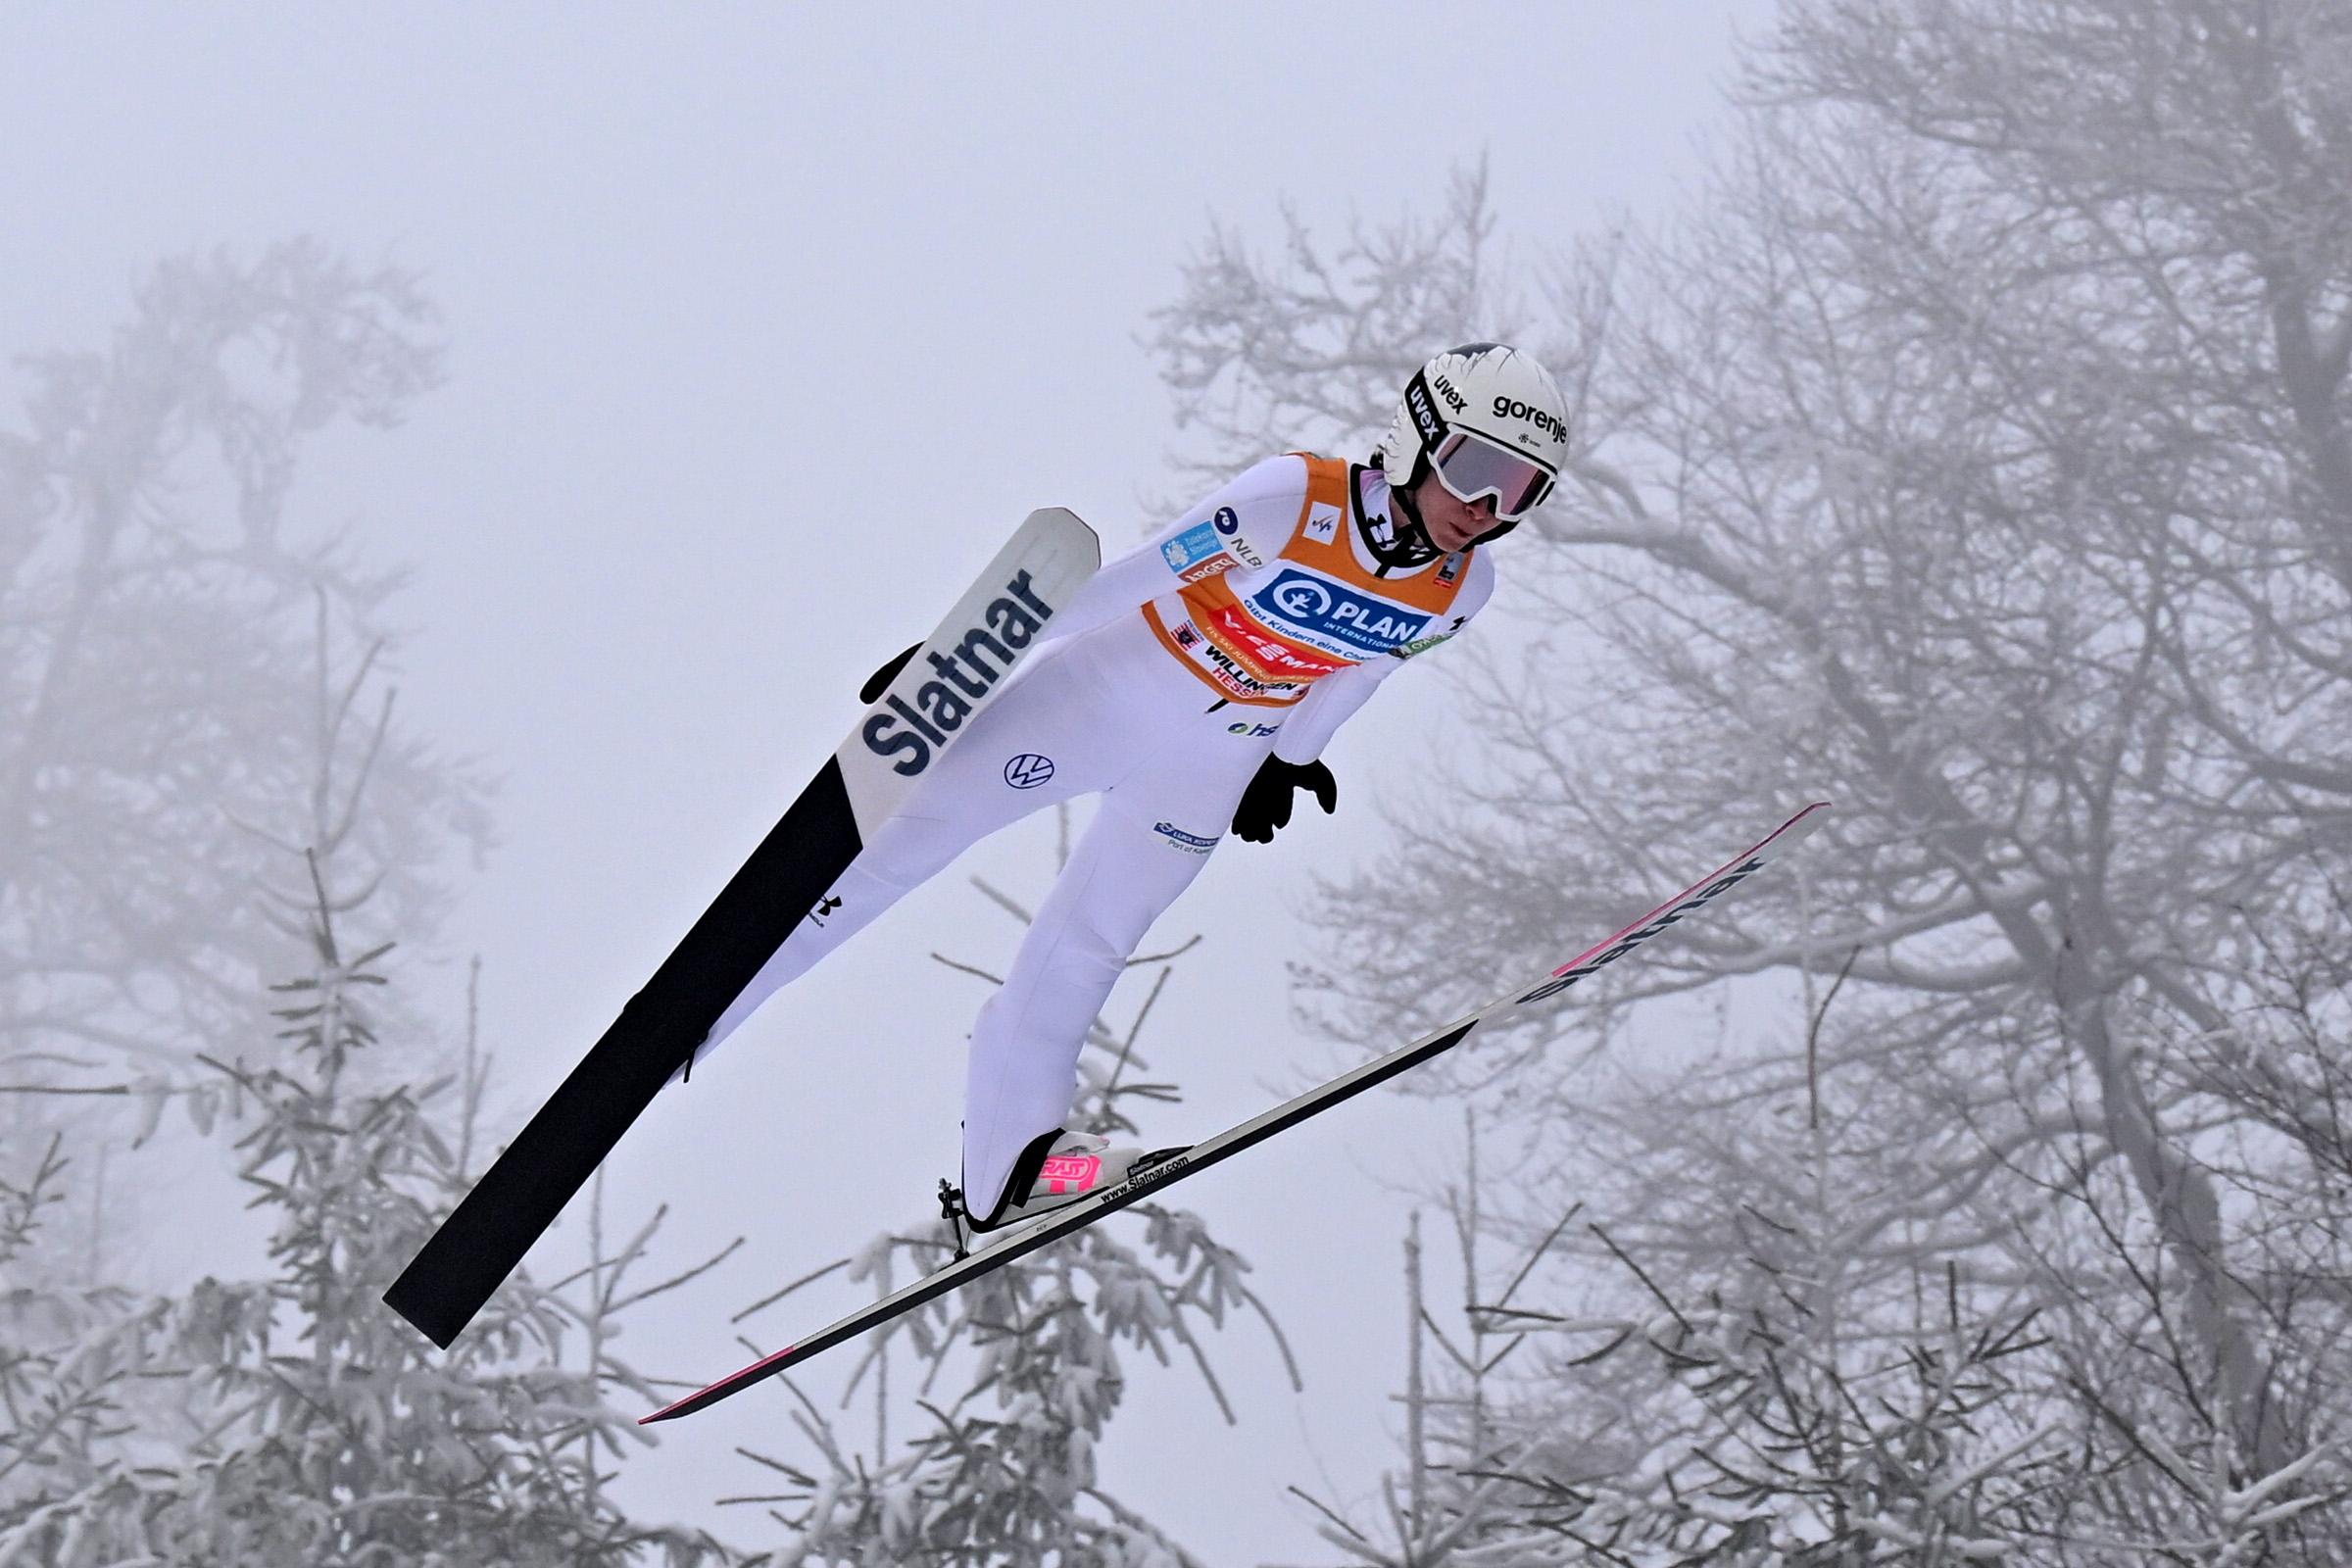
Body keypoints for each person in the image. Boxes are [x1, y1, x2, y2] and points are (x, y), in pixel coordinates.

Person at [681, 343, 1571, 1241]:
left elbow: (1361, 673)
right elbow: (1130, 580)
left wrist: (1292, 759)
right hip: (1102, 699)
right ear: (1418, 437)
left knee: (1093, 944)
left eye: (1520, 491)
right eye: (1475, 470)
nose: (1486, 508)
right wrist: (968, 655)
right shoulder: (1294, 499)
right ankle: (697, 1017)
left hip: (1217, 758)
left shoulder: (1463, 590)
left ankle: (1012, 1168)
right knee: (897, 847)